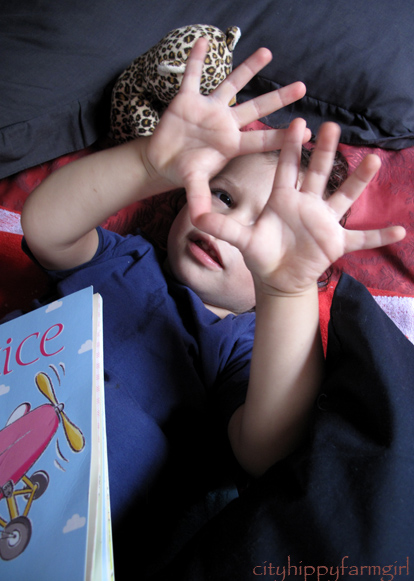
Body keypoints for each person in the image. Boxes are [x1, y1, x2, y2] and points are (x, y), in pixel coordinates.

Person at [20, 39, 405, 576]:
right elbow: (46, 229)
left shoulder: (241, 344)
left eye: (266, 232)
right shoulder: (126, 260)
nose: (226, 227)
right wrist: (148, 162)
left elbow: (267, 449)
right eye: (223, 196)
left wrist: (286, 291)